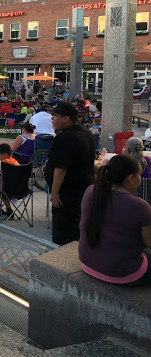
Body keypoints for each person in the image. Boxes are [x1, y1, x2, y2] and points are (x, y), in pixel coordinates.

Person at [79, 154, 151, 286]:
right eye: (139, 175)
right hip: (124, 273)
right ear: (130, 178)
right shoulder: (140, 206)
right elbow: (149, 242)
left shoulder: (90, 191)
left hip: (87, 263)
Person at [45, 102, 95, 245]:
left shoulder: (65, 138)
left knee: (65, 231)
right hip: (82, 188)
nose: (52, 119)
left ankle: (66, 256)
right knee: (78, 225)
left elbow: (61, 168)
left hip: (67, 193)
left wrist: (55, 193)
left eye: (55, 115)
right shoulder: (85, 132)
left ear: (66, 118)